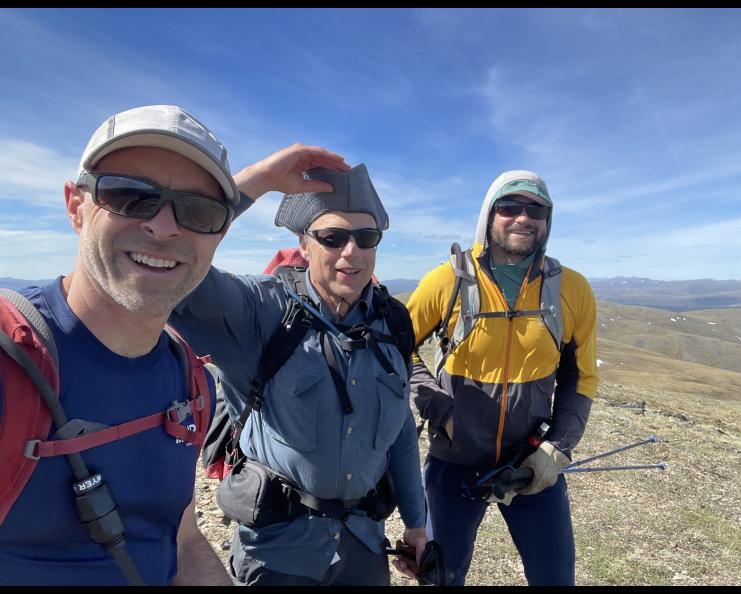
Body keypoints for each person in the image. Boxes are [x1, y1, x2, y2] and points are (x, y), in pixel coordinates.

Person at [0, 104, 347, 586]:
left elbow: (180, 541)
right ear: (77, 206)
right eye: (129, 197)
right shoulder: (12, 358)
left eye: (198, 210)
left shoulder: (187, 380)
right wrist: (258, 179)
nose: (164, 227)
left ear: (219, 232)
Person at [169, 164, 428, 586]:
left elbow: (398, 432)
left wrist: (417, 525)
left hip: (363, 547)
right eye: (332, 237)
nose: (352, 252)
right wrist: (259, 180)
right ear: (304, 245)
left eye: (366, 238)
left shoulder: (391, 324)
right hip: (277, 554)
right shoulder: (261, 312)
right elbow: (175, 259)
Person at [406, 170, 599, 586]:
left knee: (554, 578)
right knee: (441, 577)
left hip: (530, 463)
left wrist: (558, 447)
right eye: (509, 207)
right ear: (488, 215)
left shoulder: (572, 289)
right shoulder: (448, 281)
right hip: (452, 463)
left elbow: (580, 378)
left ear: (548, 220)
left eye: (536, 209)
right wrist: (440, 409)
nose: (522, 218)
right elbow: (396, 349)